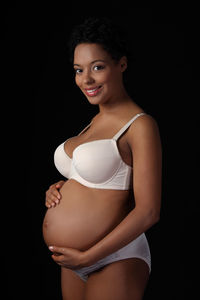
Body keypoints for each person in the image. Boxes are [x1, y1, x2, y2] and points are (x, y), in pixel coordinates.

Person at [43, 17, 162, 300]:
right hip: (73, 261)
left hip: (115, 256)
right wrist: (59, 189)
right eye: (78, 70)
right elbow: (96, 182)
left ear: (121, 64)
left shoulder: (140, 125)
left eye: (97, 67)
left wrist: (87, 257)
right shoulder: (93, 123)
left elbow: (149, 211)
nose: (86, 80)